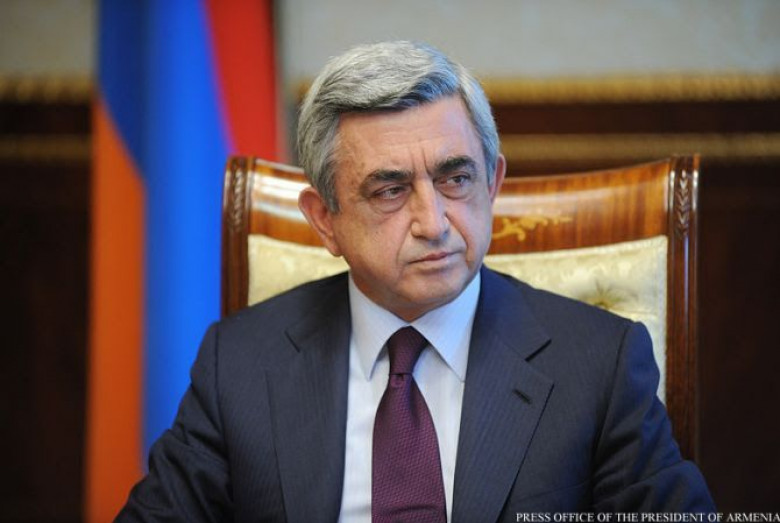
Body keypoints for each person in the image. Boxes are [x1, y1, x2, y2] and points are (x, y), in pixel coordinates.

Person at [117, 41, 714, 522]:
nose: (434, 223)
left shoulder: (599, 365)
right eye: (390, 190)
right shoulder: (240, 362)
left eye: (456, 179)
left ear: (492, 182)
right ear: (325, 220)